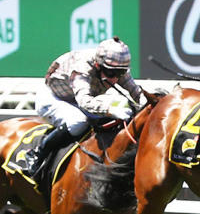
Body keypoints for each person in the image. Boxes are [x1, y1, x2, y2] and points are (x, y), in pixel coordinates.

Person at [28, 36, 143, 178]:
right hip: (53, 97)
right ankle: (38, 154)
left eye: (120, 73)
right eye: (111, 73)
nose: (114, 78)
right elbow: (84, 101)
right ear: (97, 65)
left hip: (74, 99)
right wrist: (110, 110)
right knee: (78, 122)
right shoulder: (82, 67)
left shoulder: (115, 67)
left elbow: (136, 92)